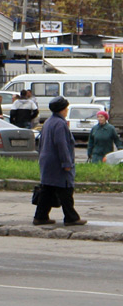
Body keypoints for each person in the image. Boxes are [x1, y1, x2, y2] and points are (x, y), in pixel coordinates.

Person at [34, 96, 86, 226]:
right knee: (65, 189)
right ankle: (71, 218)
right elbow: (61, 144)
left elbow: (41, 143)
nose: (67, 110)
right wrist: (66, 163)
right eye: (66, 108)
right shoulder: (60, 124)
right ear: (62, 110)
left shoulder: (48, 122)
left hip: (47, 162)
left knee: (48, 189)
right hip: (57, 163)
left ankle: (40, 216)